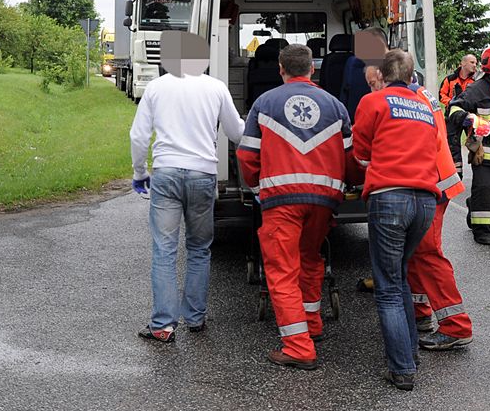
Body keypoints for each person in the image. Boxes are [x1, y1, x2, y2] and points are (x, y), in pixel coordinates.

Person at [237, 44, 353, 370]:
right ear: (313, 69)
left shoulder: (265, 103)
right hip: (324, 199)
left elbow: (247, 156)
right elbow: (349, 158)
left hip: (281, 199)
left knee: (282, 270)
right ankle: (312, 325)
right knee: (310, 259)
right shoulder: (336, 105)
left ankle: (299, 347)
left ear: (281, 69)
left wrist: (257, 188)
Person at [130, 30, 245, 343]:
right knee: (198, 248)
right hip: (202, 174)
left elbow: (139, 136)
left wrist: (140, 172)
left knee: (164, 250)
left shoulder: (156, 88)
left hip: (166, 173)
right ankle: (195, 318)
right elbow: (237, 133)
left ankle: (163, 325)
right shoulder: (216, 87)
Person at [353, 49, 439, 391]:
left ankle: (402, 369)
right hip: (425, 201)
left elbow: (360, 153)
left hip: (390, 198)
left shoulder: (373, 102)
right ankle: (410, 352)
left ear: (382, 75)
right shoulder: (424, 106)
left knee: (387, 287)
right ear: (411, 75)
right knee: (399, 276)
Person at [405, 80, 474, 351]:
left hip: (431, 184)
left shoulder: (407, 97)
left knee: (427, 252)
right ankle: (419, 310)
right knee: (417, 250)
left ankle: (456, 326)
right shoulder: (418, 91)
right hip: (436, 180)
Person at [446, 43, 490, 245]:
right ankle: (481, 230)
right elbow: (453, 109)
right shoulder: (476, 89)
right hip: (483, 150)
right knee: (483, 187)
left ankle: (473, 205)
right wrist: (468, 119)